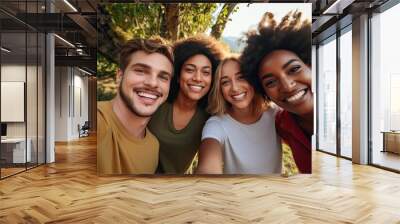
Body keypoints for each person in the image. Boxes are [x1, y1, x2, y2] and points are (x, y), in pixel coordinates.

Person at [240, 11, 313, 174]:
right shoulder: (281, 124)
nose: (287, 86)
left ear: (312, 64)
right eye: (270, 82)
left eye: (294, 69)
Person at [148, 35, 226, 174]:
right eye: (190, 70)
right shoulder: (156, 102)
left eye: (206, 72)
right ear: (177, 75)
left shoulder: (211, 116)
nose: (197, 78)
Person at [97, 38, 174, 175]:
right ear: (120, 76)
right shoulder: (96, 119)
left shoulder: (153, 147)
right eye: (141, 71)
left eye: (163, 77)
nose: (152, 83)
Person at [196, 56, 281, 174]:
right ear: (219, 90)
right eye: (225, 82)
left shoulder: (275, 113)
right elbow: (207, 167)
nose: (235, 88)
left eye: (241, 77)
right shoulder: (216, 124)